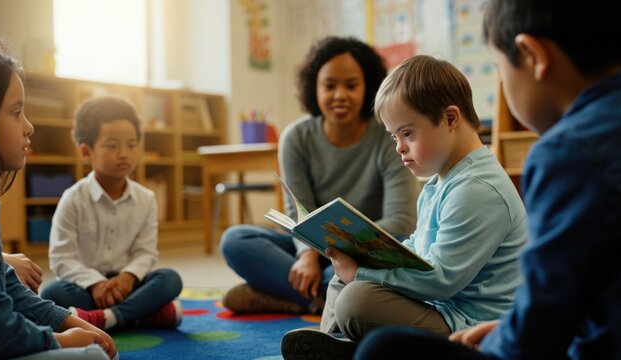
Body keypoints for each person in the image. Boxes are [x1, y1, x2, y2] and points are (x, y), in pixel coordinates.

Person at [352, 0, 621, 359]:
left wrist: (503, 336)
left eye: (497, 66)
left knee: (381, 349)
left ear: (532, 55)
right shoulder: (438, 182)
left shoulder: (568, 152)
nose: (400, 147)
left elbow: (545, 315)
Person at [281, 54, 529, 359]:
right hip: (443, 308)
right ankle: (332, 342)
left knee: (357, 300)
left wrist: (363, 273)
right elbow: (419, 248)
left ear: (450, 119)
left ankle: (342, 345)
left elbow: (441, 280)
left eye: (407, 133)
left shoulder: (478, 189)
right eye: (394, 136)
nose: (398, 146)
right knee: (345, 276)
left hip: (471, 323)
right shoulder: (443, 180)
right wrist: (369, 258)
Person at [219, 36, 419, 315]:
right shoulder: (296, 138)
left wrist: (340, 252)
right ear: (314, 88)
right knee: (235, 241)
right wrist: (307, 255)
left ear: (369, 88)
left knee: (377, 273)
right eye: (329, 85)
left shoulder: (388, 136)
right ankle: (323, 299)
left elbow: (401, 221)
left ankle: (286, 296)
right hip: (316, 251)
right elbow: (299, 213)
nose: (339, 95)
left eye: (351, 85)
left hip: (366, 252)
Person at [0, 41, 117, 360]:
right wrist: (62, 341)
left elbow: (9, 290)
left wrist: (72, 323)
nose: (29, 127)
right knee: (93, 357)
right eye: (16, 113)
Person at [40, 97, 183, 331]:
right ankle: (143, 314)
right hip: (87, 287)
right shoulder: (73, 198)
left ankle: (106, 318)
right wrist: (95, 283)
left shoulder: (146, 199)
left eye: (131, 144)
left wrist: (127, 278)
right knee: (51, 292)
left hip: (129, 284)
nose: (124, 154)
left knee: (170, 279)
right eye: (112, 146)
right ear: (87, 152)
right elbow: (61, 258)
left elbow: (145, 253)